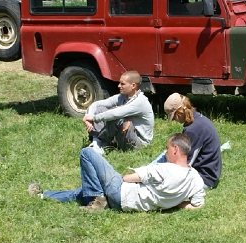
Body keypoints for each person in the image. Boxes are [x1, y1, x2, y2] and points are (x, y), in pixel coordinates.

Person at [30, 133, 205, 212]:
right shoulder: (196, 179)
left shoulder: (164, 169)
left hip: (121, 192)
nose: (165, 153)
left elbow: (129, 178)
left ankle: (98, 198)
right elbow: (197, 205)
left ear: (175, 150)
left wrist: (117, 178)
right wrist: (172, 203)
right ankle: (44, 195)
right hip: (125, 206)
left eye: (167, 149)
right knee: (84, 192)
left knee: (87, 153)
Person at [155, 93, 222, 188]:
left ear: (179, 112)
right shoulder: (197, 119)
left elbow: (186, 163)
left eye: (174, 117)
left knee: (160, 184)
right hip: (210, 173)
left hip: (204, 178)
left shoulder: (194, 130)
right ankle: (148, 171)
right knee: (166, 154)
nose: (174, 120)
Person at [83, 70, 153, 154]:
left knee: (120, 119)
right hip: (126, 135)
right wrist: (89, 116)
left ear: (133, 85)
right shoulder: (123, 96)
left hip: (139, 143)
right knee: (100, 109)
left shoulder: (140, 101)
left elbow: (116, 114)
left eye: (122, 84)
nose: (119, 86)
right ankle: (97, 142)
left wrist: (94, 118)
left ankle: (100, 143)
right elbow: (97, 104)